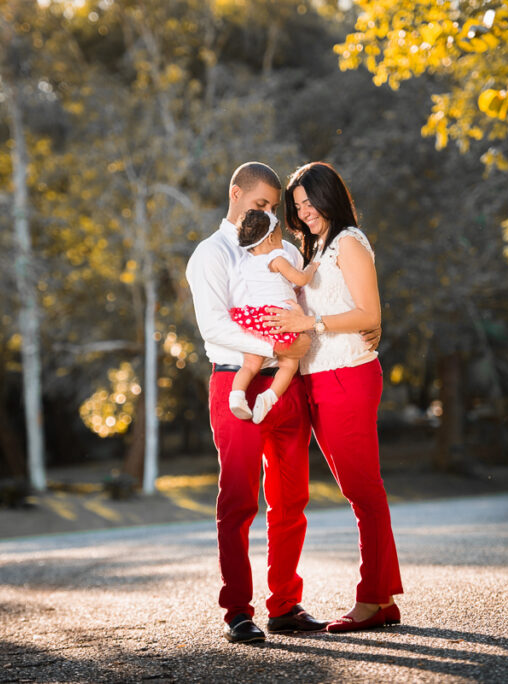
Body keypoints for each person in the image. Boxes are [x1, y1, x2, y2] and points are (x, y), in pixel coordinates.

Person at [185, 162, 328, 644]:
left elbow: (302, 307)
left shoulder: (285, 247)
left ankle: (284, 604)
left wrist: (302, 345)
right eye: (260, 205)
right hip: (237, 385)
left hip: (287, 387)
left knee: (292, 500)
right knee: (239, 499)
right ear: (235, 194)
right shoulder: (211, 253)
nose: (268, 215)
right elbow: (215, 327)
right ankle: (238, 612)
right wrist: (277, 349)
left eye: (274, 207)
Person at [266, 161, 403, 633]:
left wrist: (312, 324)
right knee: (356, 489)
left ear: (331, 197)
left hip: (348, 375)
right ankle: (382, 599)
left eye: (310, 202)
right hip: (319, 379)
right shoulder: (318, 247)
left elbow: (368, 313)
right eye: (298, 206)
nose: (304, 213)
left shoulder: (348, 242)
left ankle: (372, 598)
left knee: (364, 489)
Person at [228, 209, 319, 424]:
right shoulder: (276, 258)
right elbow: (300, 279)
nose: (282, 242)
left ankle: (237, 395)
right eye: (280, 236)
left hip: (258, 320)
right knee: (289, 364)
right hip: (280, 319)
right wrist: (312, 267)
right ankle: (269, 398)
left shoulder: (246, 262)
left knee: (250, 364)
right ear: (270, 238)